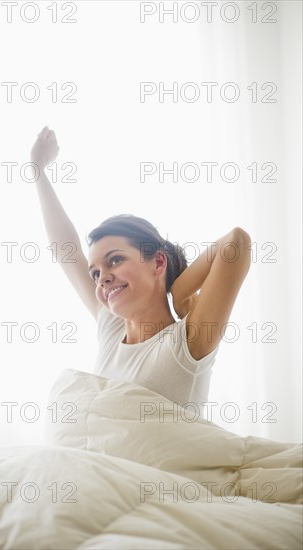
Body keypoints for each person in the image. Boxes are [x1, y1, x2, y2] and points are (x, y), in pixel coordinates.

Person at [30, 126, 252, 413]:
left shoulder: (187, 342)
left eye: (115, 260)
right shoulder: (111, 328)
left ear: (158, 263)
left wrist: (181, 295)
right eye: (95, 273)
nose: (103, 278)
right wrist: (38, 170)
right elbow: (65, 249)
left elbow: (235, 243)